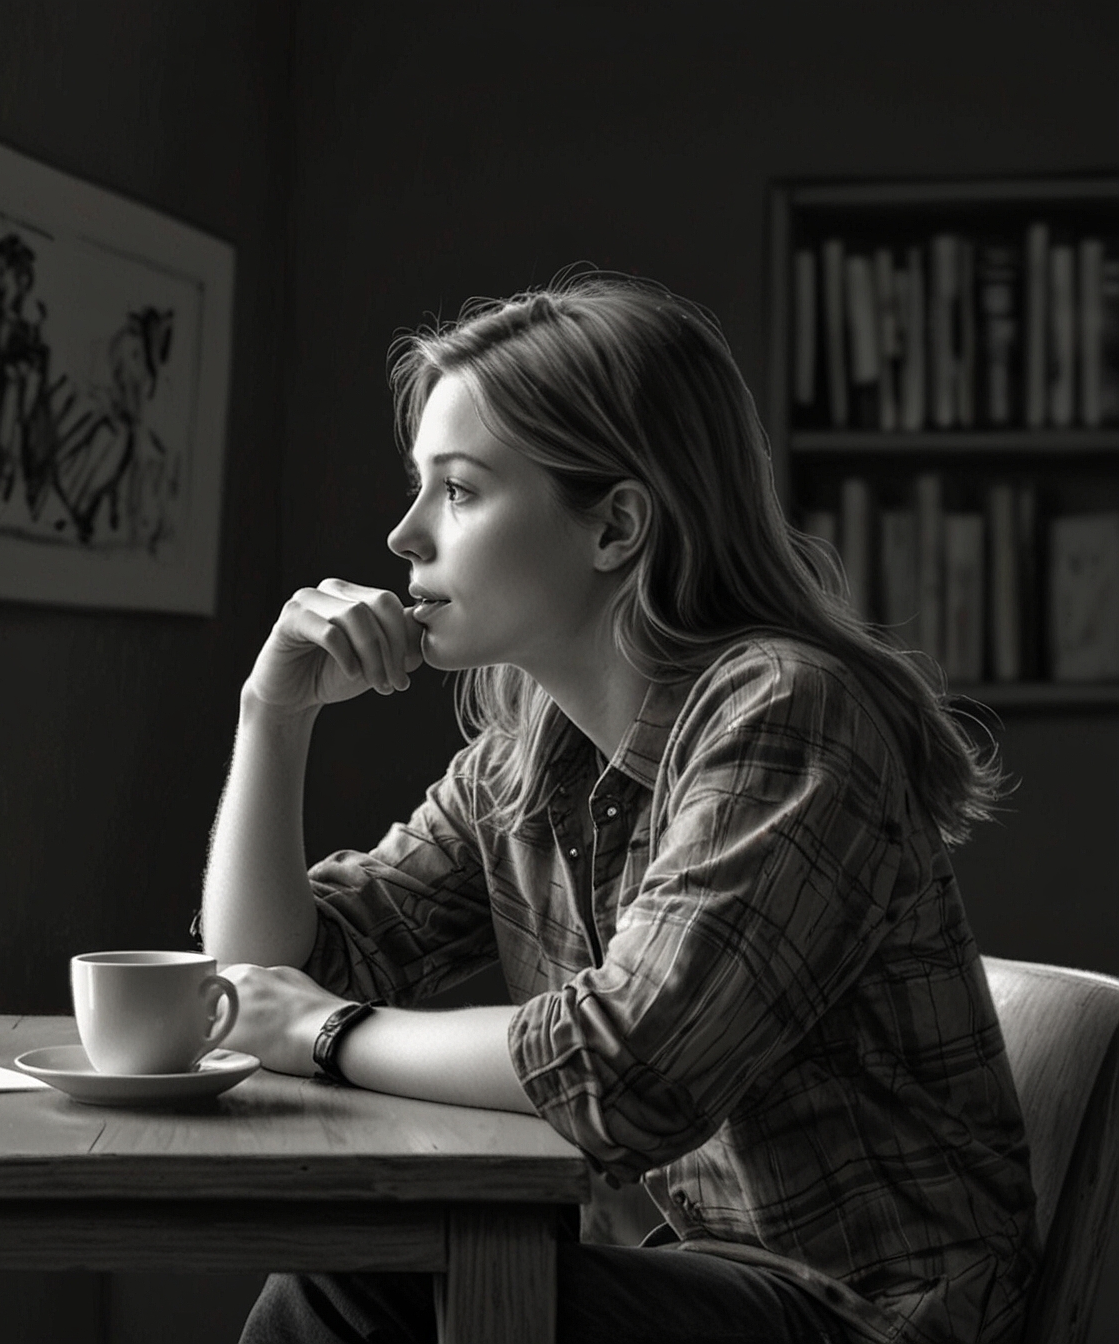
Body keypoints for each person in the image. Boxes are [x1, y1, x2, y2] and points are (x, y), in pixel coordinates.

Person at [201, 273, 1039, 1344]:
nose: (404, 535)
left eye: (457, 491)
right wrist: (269, 716)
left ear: (617, 526)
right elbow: (263, 982)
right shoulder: (529, 752)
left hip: (874, 1321)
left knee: (361, 1287)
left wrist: (324, 1032)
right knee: (357, 1275)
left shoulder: (786, 713)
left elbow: (625, 1072)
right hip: (696, 1285)